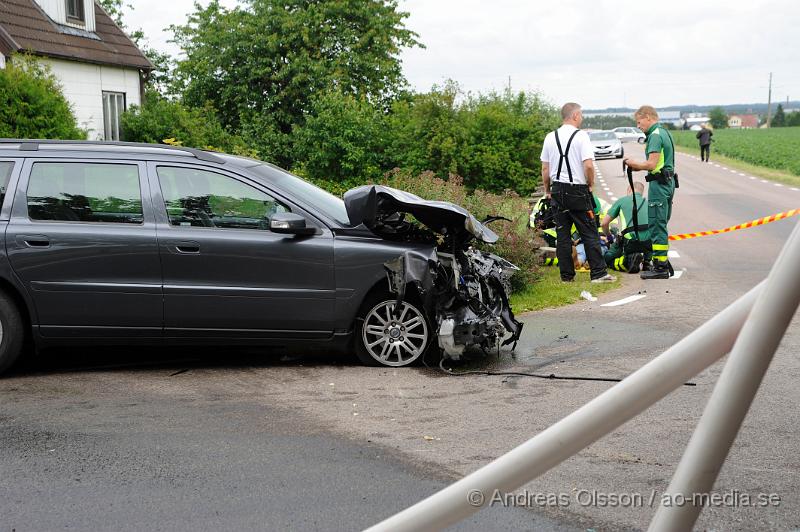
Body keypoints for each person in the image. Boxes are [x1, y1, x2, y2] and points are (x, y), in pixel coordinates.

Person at [541, 102, 615, 283]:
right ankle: (598, 274)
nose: (581, 118)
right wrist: (590, 184)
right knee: (589, 232)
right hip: (578, 190)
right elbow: (588, 165)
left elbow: (545, 168)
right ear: (574, 116)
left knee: (563, 235)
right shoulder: (581, 136)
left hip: (558, 190)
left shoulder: (550, 137)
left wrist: (548, 190)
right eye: (580, 115)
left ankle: (566, 276)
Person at [623, 106, 675, 279]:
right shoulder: (664, 132)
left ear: (647, 117)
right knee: (661, 223)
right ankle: (663, 262)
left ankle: (660, 267)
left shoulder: (654, 136)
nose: (638, 126)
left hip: (659, 185)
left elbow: (651, 164)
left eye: (639, 122)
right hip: (667, 183)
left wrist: (633, 163)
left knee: (657, 225)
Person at [601, 182, 650, 273]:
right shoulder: (647, 203)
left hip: (630, 242)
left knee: (607, 259)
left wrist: (609, 236)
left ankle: (627, 261)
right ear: (641, 192)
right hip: (647, 243)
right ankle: (647, 262)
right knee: (648, 233)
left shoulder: (622, 201)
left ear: (629, 190)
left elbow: (604, 223)